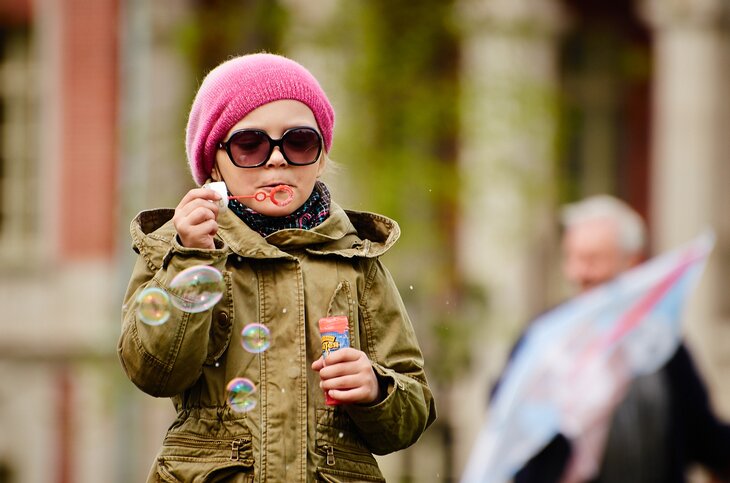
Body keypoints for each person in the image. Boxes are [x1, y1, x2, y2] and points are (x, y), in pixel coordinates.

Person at [117, 53, 436, 482]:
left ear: (321, 158)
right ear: (213, 163)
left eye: (299, 142)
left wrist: (376, 389)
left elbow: (411, 414)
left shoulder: (358, 261)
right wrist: (192, 257)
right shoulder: (176, 250)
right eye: (251, 145)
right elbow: (154, 371)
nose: (276, 160)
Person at [496, 195, 730, 483]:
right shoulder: (546, 339)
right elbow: (504, 421)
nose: (578, 273)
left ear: (631, 262)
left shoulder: (660, 343)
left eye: (592, 259)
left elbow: (705, 437)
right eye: (572, 258)